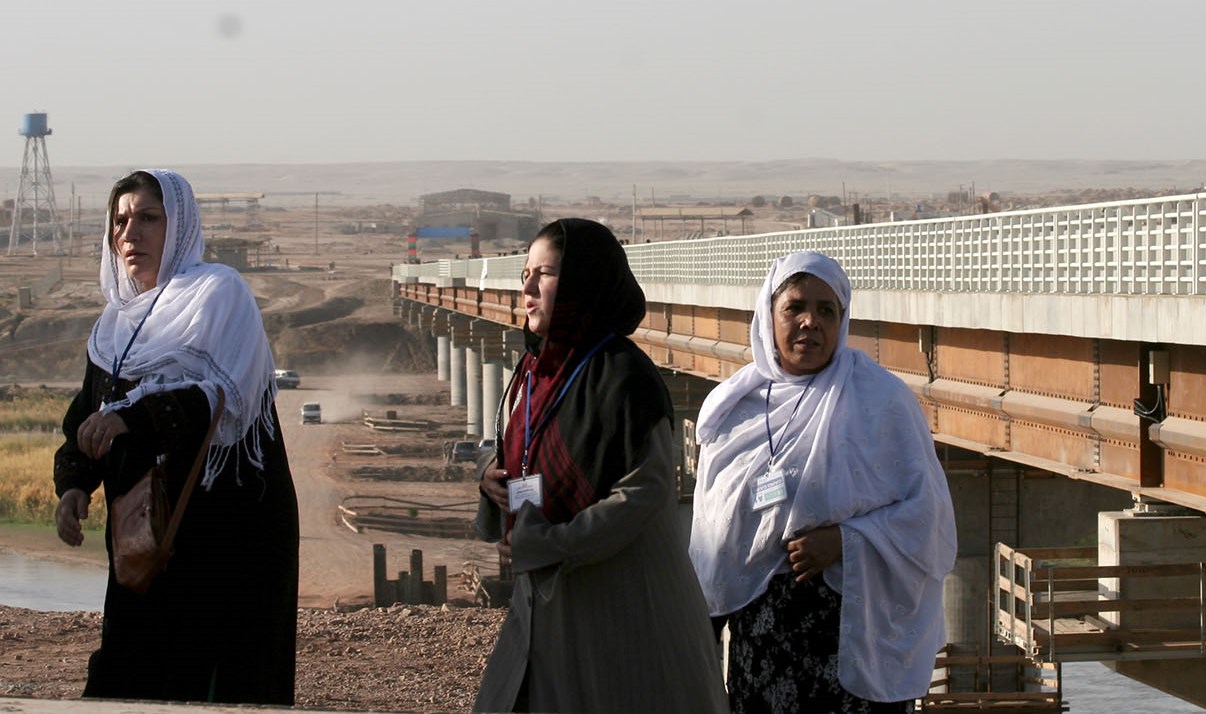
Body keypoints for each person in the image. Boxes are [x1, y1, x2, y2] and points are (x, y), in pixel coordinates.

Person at [52, 169, 299, 705]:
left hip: (222, 529)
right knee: (130, 670)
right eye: (120, 221)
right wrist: (74, 484)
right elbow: (88, 414)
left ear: (180, 226)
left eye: (148, 218)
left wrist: (135, 418)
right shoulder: (115, 325)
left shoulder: (218, 293)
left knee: (213, 680)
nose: (130, 234)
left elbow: (224, 396)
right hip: (144, 530)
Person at [474, 218, 728, 713]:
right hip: (542, 603)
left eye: (545, 274)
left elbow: (644, 492)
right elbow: (517, 450)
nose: (527, 289)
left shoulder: (624, 377)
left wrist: (549, 544)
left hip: (619, 606)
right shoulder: (533, 371)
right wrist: (489, 477)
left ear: (583, 282)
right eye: (525, 274)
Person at [689, 251, 957, 713]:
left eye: (826, 310)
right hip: (762, 645)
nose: (810, 322)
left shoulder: (881, 401)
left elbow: (928, 518)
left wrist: (845, 542)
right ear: (768, 315)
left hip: (855, 639)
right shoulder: (733, 408)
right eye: (794, 307)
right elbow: (711, 535)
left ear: (842, 320)